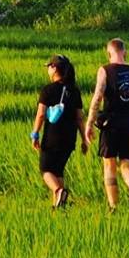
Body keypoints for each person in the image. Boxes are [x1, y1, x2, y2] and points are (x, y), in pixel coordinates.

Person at [83, 37, 129, 213]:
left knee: (109, 164)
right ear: (124, 52)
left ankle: (113, 207)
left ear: (109, 53)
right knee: (127, 165)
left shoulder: (105, 70)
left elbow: (97, 98)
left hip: (110, 124)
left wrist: (88, 124)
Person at [30, 55, 86, 209]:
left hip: (52, 137)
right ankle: (59, 206)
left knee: (46, 169)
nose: (47, 69)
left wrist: (35, 134)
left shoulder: (48, 90)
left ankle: (58, 190)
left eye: (49, 66)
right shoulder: (74, 91)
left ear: (54, 68)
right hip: (70, 139)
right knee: (58, 170)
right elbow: (80, 118)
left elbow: (41, 114)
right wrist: (84, 140)